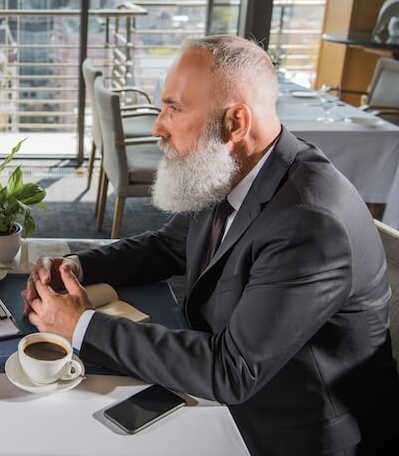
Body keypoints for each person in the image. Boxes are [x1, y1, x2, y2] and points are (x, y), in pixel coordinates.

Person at [23, 35, 399, 456]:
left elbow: (231, 371)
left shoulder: (310, 224)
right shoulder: (240, 167)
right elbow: (169, 246)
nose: (157, 126)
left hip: (289, 429)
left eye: (174, 108)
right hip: (230, 389)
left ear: (235, 123)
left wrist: (79, 326)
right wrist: (77, 267)